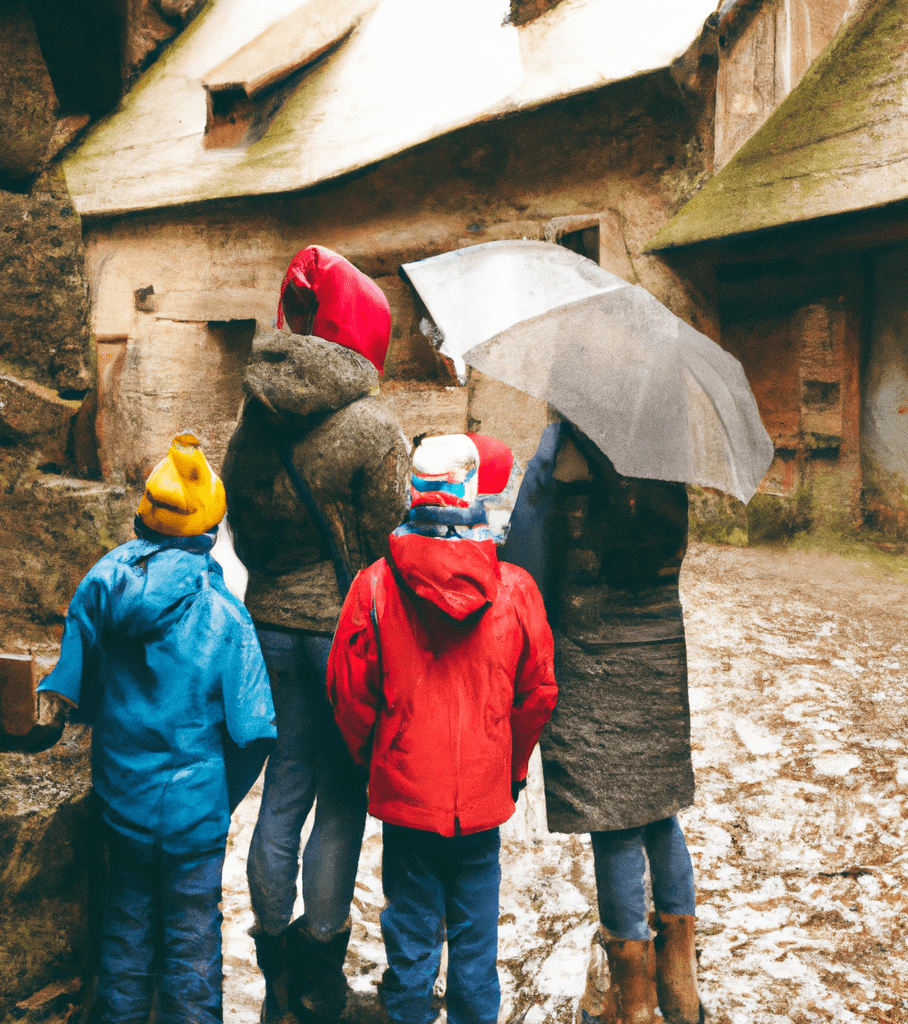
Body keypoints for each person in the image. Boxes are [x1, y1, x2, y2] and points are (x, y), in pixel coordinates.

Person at [221, 245, 410, 1023]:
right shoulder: (374, 428)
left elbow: (242, 521)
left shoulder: (254, 420)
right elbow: (391, 542)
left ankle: (271, 962)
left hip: (267, 625)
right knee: (340, 799)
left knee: (282, 792)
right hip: (344, 639)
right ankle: (321, 971)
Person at [35, 433, 276, 1024]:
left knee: (126, 922)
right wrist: (218, 797)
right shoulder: (227, 617)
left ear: (142, 516)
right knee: (193, 933)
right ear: (211, 531)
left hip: (122, 797)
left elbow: (75, 691)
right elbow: (255, 734)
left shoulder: (101, 583)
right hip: (195, 808)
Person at [327, 433, 557, 1024]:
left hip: (407, 793)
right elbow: (538, 694)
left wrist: (372, 754)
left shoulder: (374, 584)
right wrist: (510, 768)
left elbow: (349, 690)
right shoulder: (515, 590)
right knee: (477, 941)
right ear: (473, 492)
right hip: (482, 796)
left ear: (414, 491)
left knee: (409, 934)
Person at [501, 420, 704, 1024]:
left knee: (614, 823)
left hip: (589, 650)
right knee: (659, 808)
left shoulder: (561, 450)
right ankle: (682, 988)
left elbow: (527, 561)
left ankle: (636, 1000)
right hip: (658, 648)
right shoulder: (667, 447)